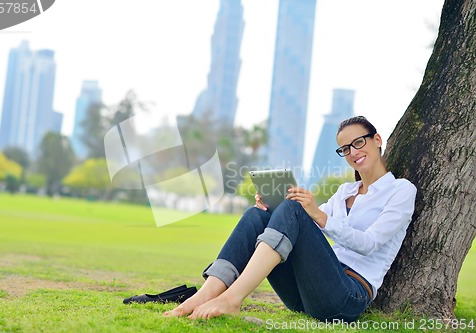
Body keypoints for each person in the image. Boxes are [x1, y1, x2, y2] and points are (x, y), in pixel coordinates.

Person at [164, 116, 417, 322]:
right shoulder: (345, 192)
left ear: (377, 140)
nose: (353, 152)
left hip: (346, 297)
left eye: (359, 142)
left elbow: (369, 243)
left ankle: (232, 299)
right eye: (345, 148)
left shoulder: (401, 191)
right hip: (304, 294)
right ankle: (207, 293)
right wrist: (271, 209)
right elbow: (303, 222)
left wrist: (315, 213)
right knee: (258, 215)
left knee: (293, 209)